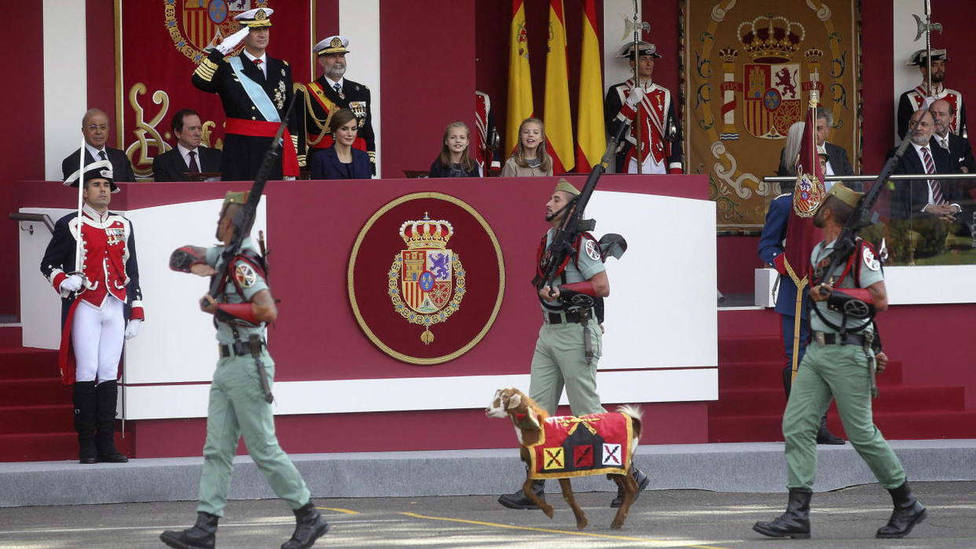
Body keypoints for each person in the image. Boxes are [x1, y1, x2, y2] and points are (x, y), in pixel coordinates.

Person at [753, 183, 927, 540]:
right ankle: (797, 514)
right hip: (818, 349)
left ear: (830, 211)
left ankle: (906, 502)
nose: (816, 205)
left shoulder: (860, 251)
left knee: (862, 434)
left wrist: (837, 293)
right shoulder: (821, 251)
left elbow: (879, 300)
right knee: (797, 425)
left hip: (848, 352)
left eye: (823, 202)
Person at [160, 191, 328, 549]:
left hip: (248, 362)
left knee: (264, 448)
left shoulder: (242, 264)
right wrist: (193, 258)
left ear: (232, 224)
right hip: (227, 365)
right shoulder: (227, 256)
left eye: (222, 216)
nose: (216, 221)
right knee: (216, 449)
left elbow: (267, 311)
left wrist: (220, 307)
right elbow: (183, 259)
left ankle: (308, 515)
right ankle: (205, 528)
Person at [497, 179, 648, 511]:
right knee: (532, 412)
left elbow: (601, 285)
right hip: (549, 333)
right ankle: (534, 487)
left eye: (555, 199)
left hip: (576, 332)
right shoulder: (550, 239)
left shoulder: (582, 242)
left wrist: (564, 292)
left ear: (571, 207)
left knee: (589, 414)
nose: (548, 203)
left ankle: (631, 476)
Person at [40, 160, 144, 464]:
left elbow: (132, 269)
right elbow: (48, 264)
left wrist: (136, 309)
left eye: (107, 186)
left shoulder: (123, 224)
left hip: (115, 304)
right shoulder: (70, 224)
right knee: (87, 370)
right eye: (97, 185)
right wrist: (63, 279)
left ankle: (107, 443)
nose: (104, 190)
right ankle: (86, 444)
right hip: (85, 304)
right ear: (84, 192)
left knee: (109, 371)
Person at [759, 153, 845, 446]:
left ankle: (819, 423)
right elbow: (767, 245)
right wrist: (788, 266)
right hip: (793, 290)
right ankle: (800, 422)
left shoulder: (834, 204)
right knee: (796, 357)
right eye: (812, 162)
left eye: (822, 162)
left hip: (827, 290)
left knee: (827, 357)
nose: (817, 167)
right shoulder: (785, 204)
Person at [190, 8, 298, 182]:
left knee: (274, 203)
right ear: (243, 34)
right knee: (240, 201)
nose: (262, 34)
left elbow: (289, 113)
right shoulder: (228, 67)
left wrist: (293, 154)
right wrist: (221, 49)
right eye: (255, 29)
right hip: (241, 149)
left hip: (274, 149)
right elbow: (199, 80)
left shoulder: (282, 67)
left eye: (265, 28)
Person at [298, 35, 376, 175]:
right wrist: (302, 163)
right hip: (323, 161)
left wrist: (371, 159)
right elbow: (301, 132)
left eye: (341, 56)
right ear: (321, 61)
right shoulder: (307, 93)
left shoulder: (360, 91)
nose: (338, 60)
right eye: (332, 56)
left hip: (358, 159)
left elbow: (367, 130)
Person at [604, 41, 682, 175]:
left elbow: (673, 134)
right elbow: (614, 131)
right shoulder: (618, 91)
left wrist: (675, 168)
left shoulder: (664, 94)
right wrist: (629, 104)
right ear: (632, 63)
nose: (649, 63)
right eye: (643, 59)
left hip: (660, 162)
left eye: (651, 59)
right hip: (632, 160)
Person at [897, 49, 966, 141]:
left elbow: (962, 131)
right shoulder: (909, 98)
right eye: (934, 65)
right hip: (924, 153)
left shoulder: (956, 96)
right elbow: (904, 133)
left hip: (951, 152)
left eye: (942, 64)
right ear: (923, 70)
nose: (939, 69)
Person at [61, 109, 136, 183]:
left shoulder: (121, 157)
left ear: (108, 130)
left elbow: (132, 188)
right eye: (93, 127)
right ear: (83, 131)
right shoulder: (72, 162)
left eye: (103, 127)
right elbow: (73, 193)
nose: (98, 132)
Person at [153, 109, 222, 181]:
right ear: (177, 133)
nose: (198, 134)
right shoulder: (163, 163)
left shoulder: (216, 156)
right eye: (192, 129)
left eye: (199, 128)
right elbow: (164, 191)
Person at [309, 108, 371, 180]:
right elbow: (316, 189)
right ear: (334, 131)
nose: (350, 134)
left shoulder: (364, 158)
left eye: (353, 129)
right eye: (344, 129)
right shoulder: (320, 158)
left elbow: (368, 189)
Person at [929, 99, 976, 173]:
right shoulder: (923, 143)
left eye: (941, 114)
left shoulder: (962, 143)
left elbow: (972, 170)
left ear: (951, 118)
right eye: (933, 114)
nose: (937, 118)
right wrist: (961, 170)